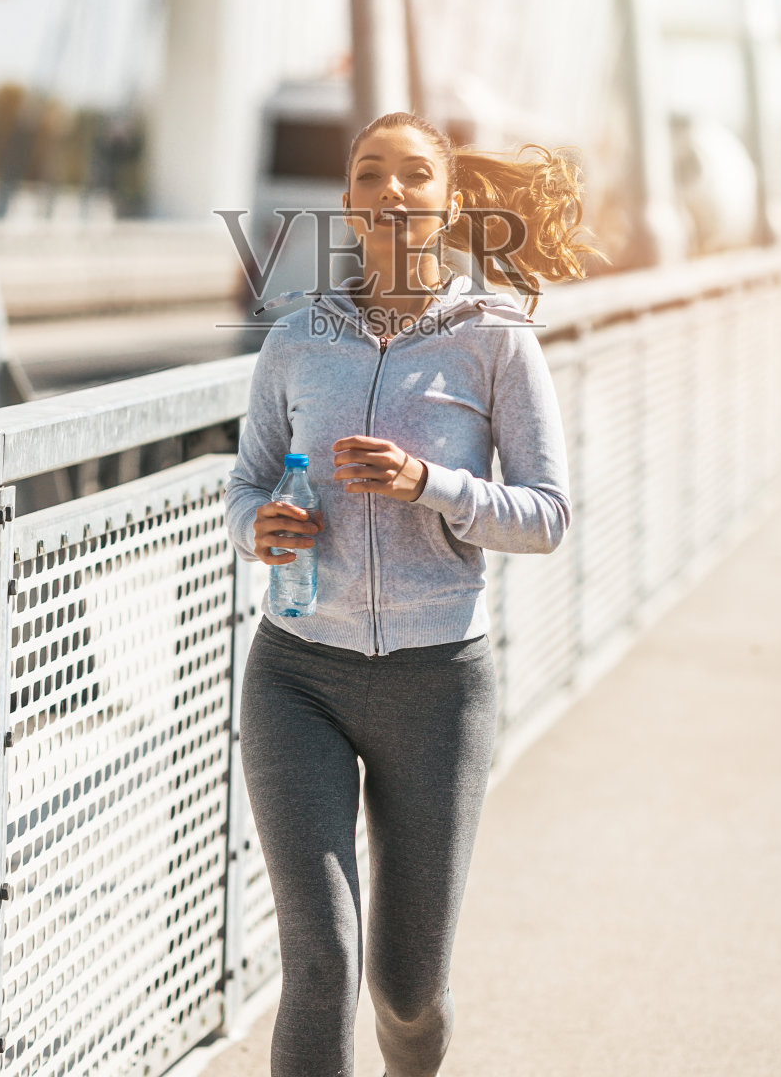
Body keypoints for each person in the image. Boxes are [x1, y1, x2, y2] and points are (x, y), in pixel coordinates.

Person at [223, 111, 595, 1077]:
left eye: (413, 174)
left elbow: (548, 515)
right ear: (348, 200)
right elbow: (248, 478)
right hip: (297, 675)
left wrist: (429, 486)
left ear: (450, 199)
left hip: (438, 688)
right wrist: (258, 524)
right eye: (370, 174)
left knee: (406, 986)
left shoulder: (495, 339)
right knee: (322, 961)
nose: (390, 191)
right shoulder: (300, 336)